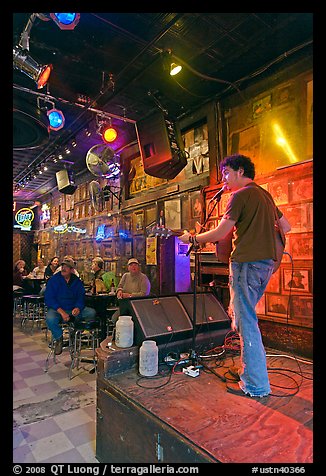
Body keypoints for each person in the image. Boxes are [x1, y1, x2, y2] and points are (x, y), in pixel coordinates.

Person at [179, 154, 291, 398]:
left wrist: (193, 239)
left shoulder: (240, 196)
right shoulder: (265, 195)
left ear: (240, 171)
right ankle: (249, 373)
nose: (224, 179)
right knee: (244, 320)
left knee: (246, 323)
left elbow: (222, 232)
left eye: (227, 173)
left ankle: (256, 385)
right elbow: (287, 226)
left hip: (246, 265)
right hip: (264, 266)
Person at [44, 257, 96, 355]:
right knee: (50, 319)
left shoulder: (76, 281)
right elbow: (49, 298)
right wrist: (62, 312)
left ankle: (75, 331)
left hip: (72, 309)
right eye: (63, 266)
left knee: (91, 313)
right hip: (58, 309)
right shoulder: (54, 280)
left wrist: (78, 307)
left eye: (67, 267)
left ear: (72, 270)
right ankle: (59, 338)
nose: (63, 268)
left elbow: (81, 297)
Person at [111, 258, 151, 324]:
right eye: (131, 265)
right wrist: (119, 291)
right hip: (125, 304)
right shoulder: (125, 276)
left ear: (138, 267)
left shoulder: (143, 278)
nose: (133, 267)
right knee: (115, 319)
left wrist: (130, 295)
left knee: (129, 322)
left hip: (138, 306)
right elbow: (119, 286)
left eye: (135, 265)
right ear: (128, 267)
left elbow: (145, 293)